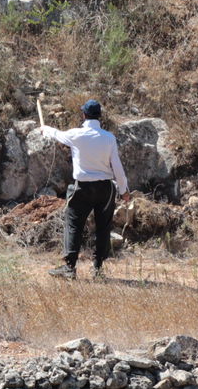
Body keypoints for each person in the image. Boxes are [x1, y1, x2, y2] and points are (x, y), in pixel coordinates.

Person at [39, 98, 131, 280]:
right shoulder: (109, 138)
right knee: (103, 228)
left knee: (74, 225)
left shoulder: (76, 135)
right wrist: (124, 190)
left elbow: (57, 134)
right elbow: (117, 167)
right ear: (100, 116)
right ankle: (97, 269)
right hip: (105, 189)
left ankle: (69, 268)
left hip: (82, 188)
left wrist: (45, 129)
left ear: (83, 114)